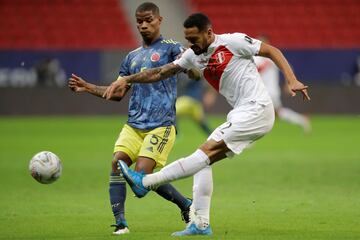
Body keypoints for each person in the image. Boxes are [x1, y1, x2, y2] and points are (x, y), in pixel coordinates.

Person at [104, 13, 310, 236]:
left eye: (194, 39)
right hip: (241, 112)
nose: (191, 44)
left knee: (202, 154)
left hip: (256, 108)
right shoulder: (192, 55)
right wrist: (128, 79)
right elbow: (161, 72)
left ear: (209, 33)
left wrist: (292, 79)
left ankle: (145, 181)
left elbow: (272, 51)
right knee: (203, 162)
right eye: (187, 39)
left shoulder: (233, 41)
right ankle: (200, 224)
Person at [68, 2, 193, 235]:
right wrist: (88, 87)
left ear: (159, 20)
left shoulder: (172, 48)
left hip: (161, 125)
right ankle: (121, 223)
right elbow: (116, 93)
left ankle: (186, 204)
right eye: (139, 21)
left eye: (148, 20)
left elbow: (194, 74)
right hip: (133, 125)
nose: (143, 25)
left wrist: (191, 58)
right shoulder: (131, 57)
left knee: (141, 180)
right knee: (117, 163)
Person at [254, 35, 311, 132]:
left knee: (256, 113)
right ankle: (302, 120)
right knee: (278, 113)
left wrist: (289, 83)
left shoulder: (268, 58)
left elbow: (287, 67)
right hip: (264, 91)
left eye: (262, 42)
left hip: (269, 91)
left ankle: (248, 140)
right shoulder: (259, 58)